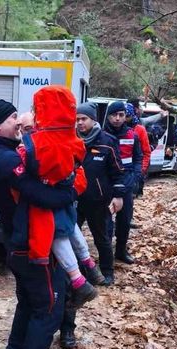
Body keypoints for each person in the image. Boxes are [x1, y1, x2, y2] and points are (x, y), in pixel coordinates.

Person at [0, 99, 77, 349]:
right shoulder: (8, 159)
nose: (18, 123)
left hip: (14, 240)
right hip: (32, 243)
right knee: (48, 310)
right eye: (12, 118)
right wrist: (72, 191)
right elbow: (40, 195)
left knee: (29, 302)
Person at [11, 85, 101, 308]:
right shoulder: (74, 140)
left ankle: (79, 280)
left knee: (57, 235)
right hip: (66, 196)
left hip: (47, 204)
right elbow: (76, 167)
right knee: (71, 228)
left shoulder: (38, 145)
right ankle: (89, 264)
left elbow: (29, 165)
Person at [75, 102, 125, 285]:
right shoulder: (72, 140)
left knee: (102, 238)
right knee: (73, 237)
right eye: (77, 119)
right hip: (74, 199)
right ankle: (78, 272)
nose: (80, 123)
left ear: (93, 120)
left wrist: (118, 196)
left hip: (98, 200)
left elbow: (118, 171)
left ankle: (107, 272)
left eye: (84, 119)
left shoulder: (107, 142)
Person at [104, 101, 142, 265]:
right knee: (105, 221)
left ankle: (120, 251)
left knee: (125, 221)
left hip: (126, 184)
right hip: (106, 185)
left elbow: (138, 157)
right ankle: (105, 254)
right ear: (109, 116)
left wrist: (136, 176)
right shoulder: (102, 135)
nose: (118, 119)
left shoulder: (132, 135)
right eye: (114, 115)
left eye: (121, 115)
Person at [125, 103, 151, 198]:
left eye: (127, 116)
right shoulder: (116, 129)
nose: (123, 119)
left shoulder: (140, 130)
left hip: (135, 169)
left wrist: (141, 170)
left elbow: (146, 151)